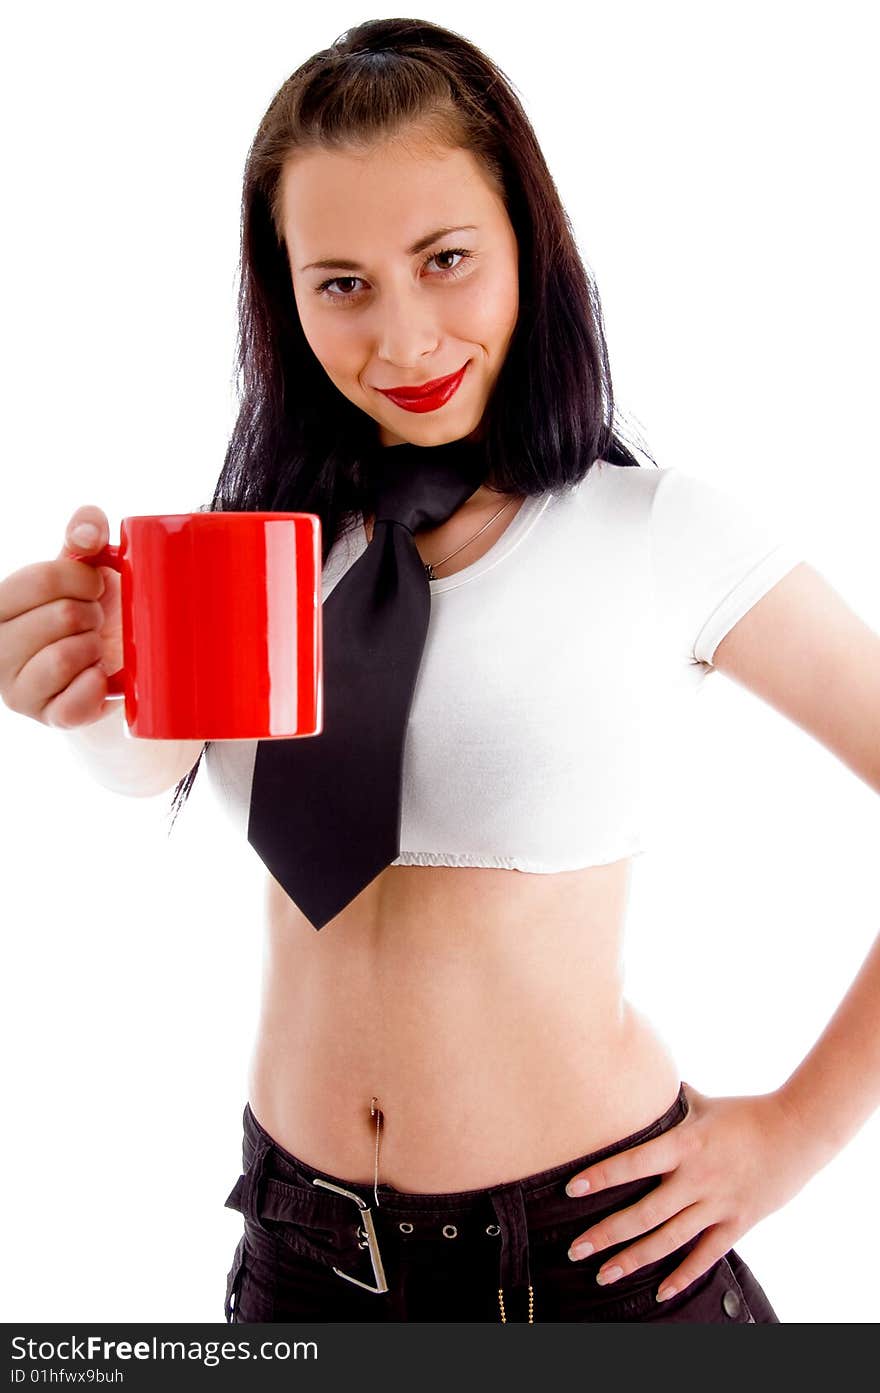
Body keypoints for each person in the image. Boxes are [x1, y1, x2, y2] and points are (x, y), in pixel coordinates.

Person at [2, 17, 878, 1324]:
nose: (405, 337)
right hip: (298, 1254)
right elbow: (156, 761)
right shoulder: (267, 553)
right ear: (282, 294)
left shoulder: (661, 533)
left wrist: (794, 1136)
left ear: (531, 243)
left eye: (446, 259)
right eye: (342, 282)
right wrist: (86, 678)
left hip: (592, 1259)